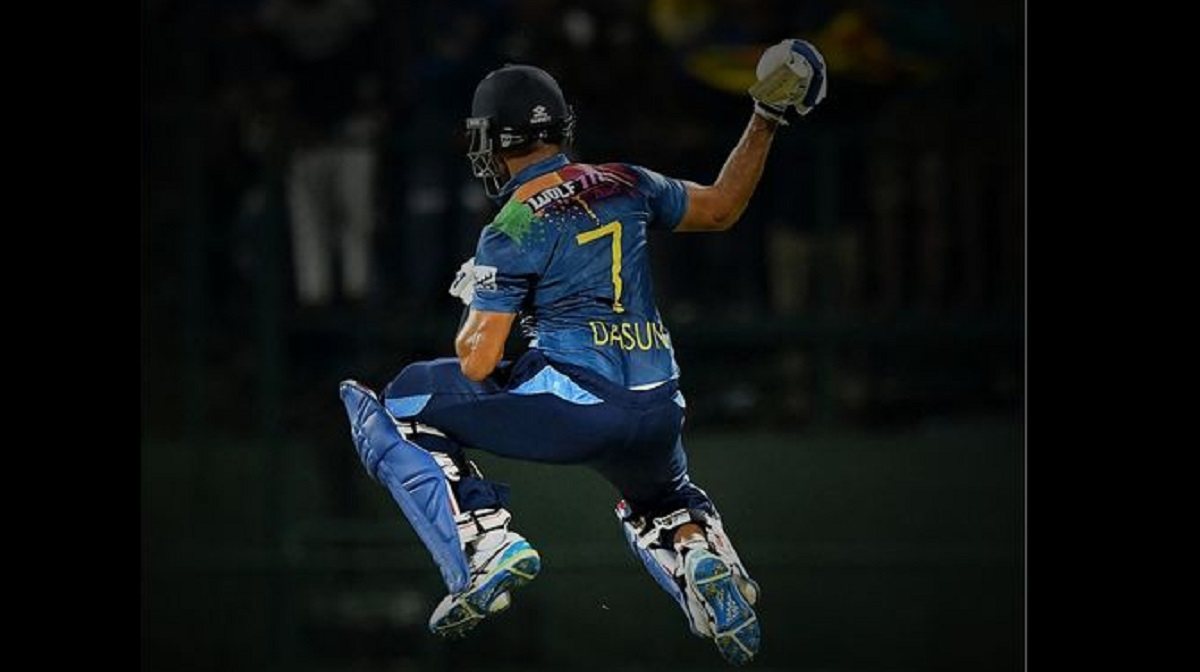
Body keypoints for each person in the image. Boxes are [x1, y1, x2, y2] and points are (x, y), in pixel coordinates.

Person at [339, 39, 826, 666]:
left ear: (494, 139)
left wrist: (476, 293)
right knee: (661, 497)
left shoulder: (513, 222)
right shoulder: (627, 180)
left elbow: (478, 360)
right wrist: (765, 117)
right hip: (659, 404)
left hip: (578, 401)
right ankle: (695, 548)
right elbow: (722, 207)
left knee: (403, 399)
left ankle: (482, 546)